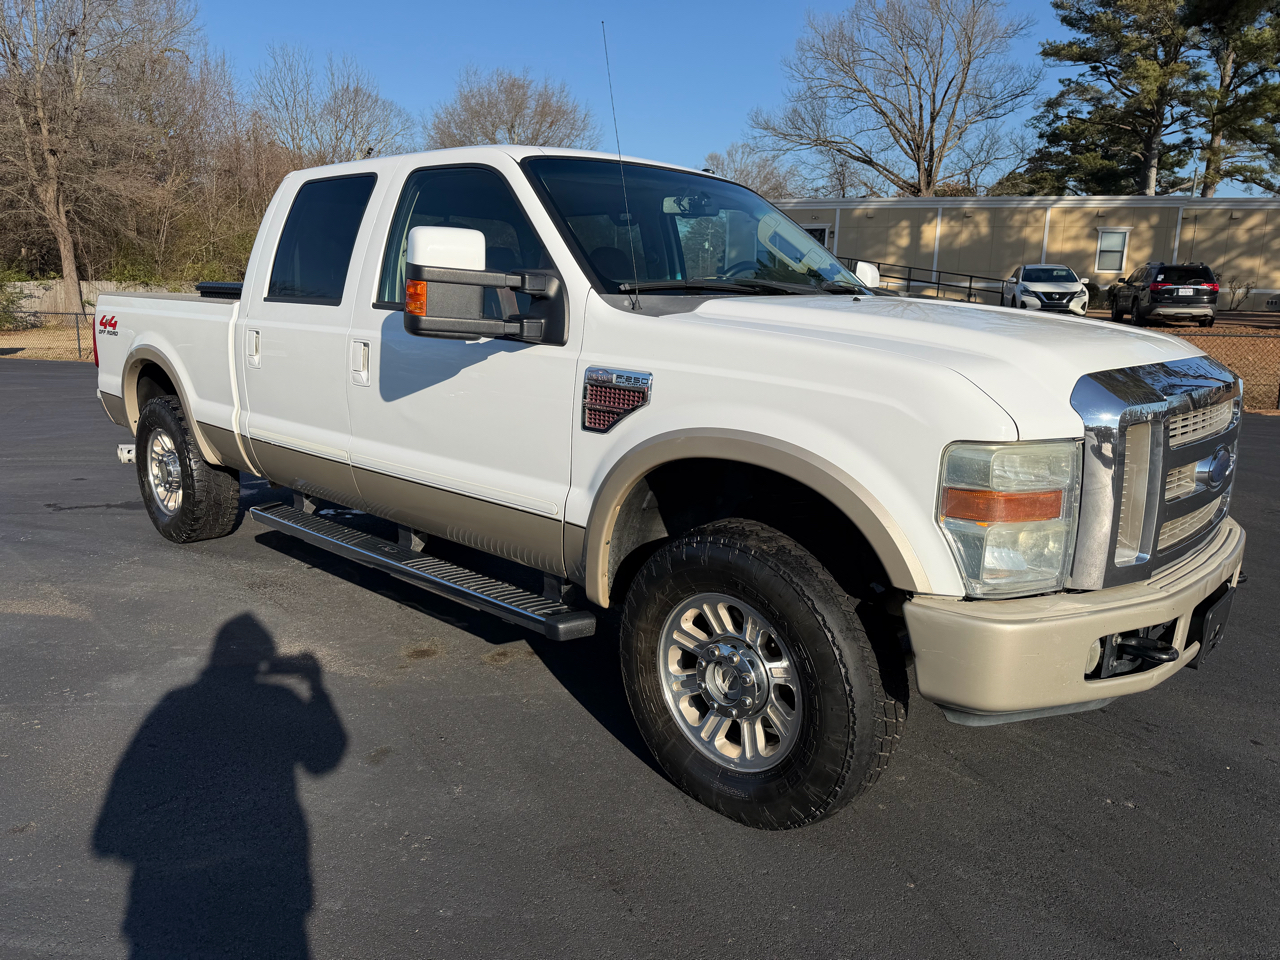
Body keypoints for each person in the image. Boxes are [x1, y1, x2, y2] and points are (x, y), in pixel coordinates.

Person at [93, 613, 347, 959]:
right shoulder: (278, 702)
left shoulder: (175, 706)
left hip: (181, 894)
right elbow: (324, 758)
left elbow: (114, 820)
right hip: (267, 883)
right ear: (265, 660)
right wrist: (316, 686)